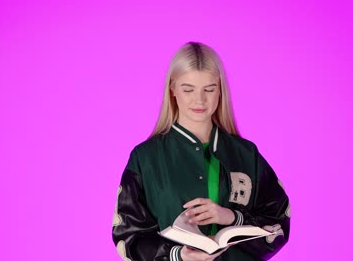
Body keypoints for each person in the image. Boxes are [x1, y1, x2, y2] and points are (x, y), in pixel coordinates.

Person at [112, 42, 290, 261]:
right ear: (173, 89)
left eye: (209, 89)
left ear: (220, 90)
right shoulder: (145, 158)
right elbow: (128, 236)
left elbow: (278, 222)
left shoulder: (246, 154)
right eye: (188, 89)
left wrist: (232, 217)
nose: (200, 100)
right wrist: (178, 255)